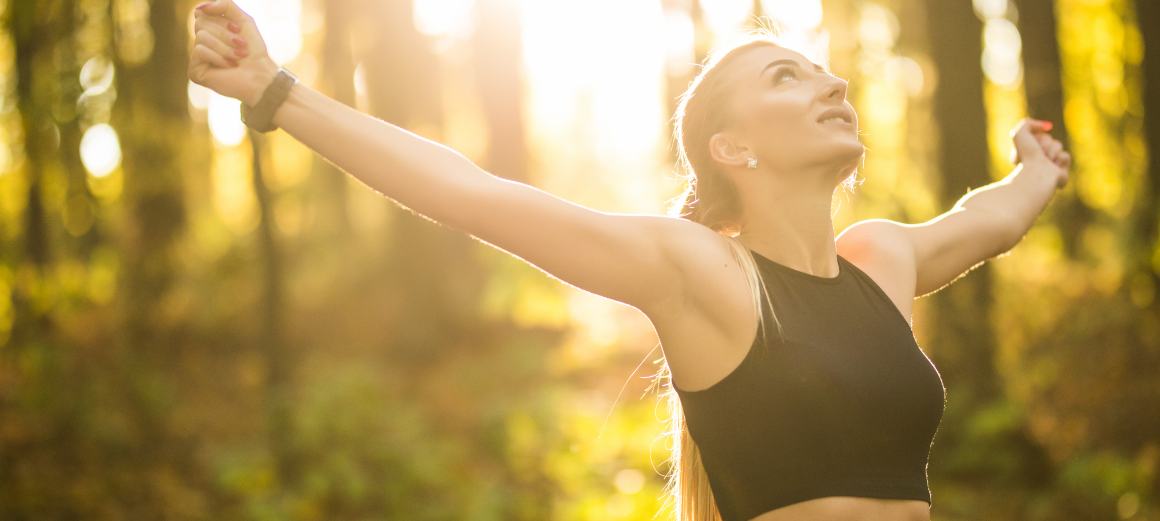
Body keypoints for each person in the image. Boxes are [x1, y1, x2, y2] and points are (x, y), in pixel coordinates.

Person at [188, 1, 1073, 520]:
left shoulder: (880, 258)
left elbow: (988, 219)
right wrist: (277, 94)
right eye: (786, 77)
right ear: (732, 149)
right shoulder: (701, 272)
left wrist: (1038, 168)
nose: (832, 84)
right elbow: (470, 193)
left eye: (820, 71)